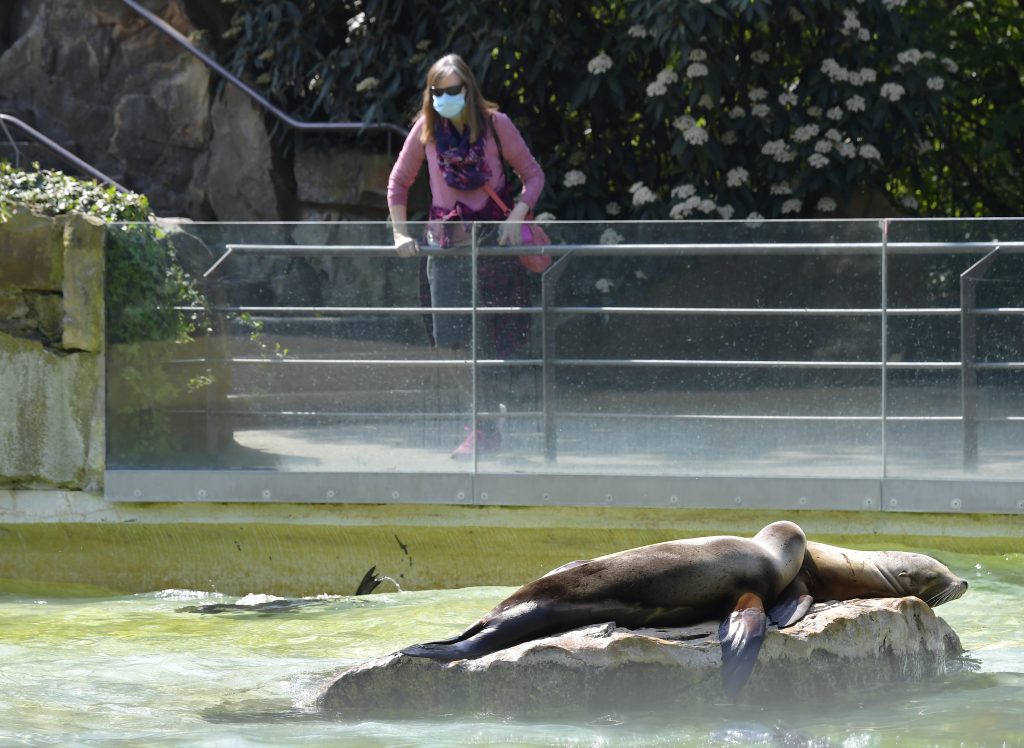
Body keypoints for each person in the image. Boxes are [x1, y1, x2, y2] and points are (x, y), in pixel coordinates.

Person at [387, 53, 545, 459]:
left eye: (452, 92)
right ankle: (485, 421)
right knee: (450, 342)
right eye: (437, 93)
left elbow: (533, 175)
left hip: (494, 246)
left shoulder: (496, 125)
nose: (444, 99)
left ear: (469, 90)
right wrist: (399, 234)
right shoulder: (426, 130)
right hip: (446, 248)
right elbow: (398, 184)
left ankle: (488, 423)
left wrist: (517, 217)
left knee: (495, 338)